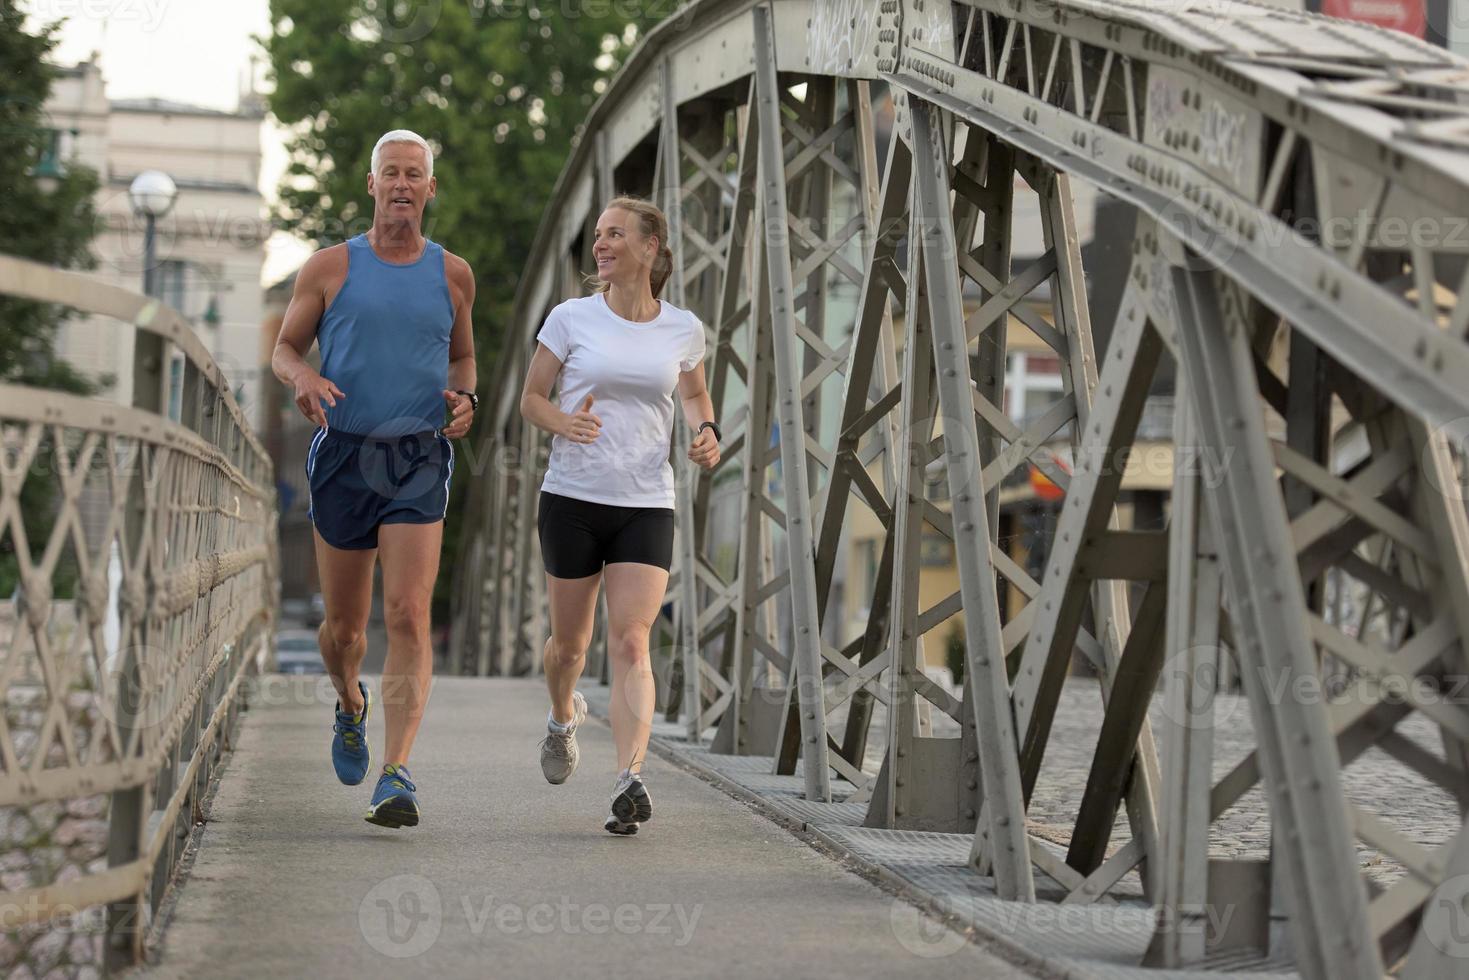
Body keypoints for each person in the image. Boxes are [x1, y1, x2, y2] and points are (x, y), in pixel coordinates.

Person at [271, 129, 477, 829]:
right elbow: (284, 348)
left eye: (413, 174)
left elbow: (462, 360)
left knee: (408, 614)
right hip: (343, 454)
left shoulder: (454, 275)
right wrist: (302, 374)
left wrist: (465, 399)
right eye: (388, 172)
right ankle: (350, 703)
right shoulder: (330, 268)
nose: (400, 184)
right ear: (370, 184)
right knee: (345, 632)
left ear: (429, 188)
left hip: (418, 455)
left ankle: (396, 773)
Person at [519, 195, 719, 835]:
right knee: (569, 647)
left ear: (650, 247)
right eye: (598, 235)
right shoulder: (571, 318)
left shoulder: (682, 329)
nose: (600, 245)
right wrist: (564, 420)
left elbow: (691, 390)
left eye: (614, 235)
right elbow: (529, 399)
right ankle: (560, 719)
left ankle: (630, 778)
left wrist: (706, 430)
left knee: (633, 640)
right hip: (573, 499)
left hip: (645, 501)